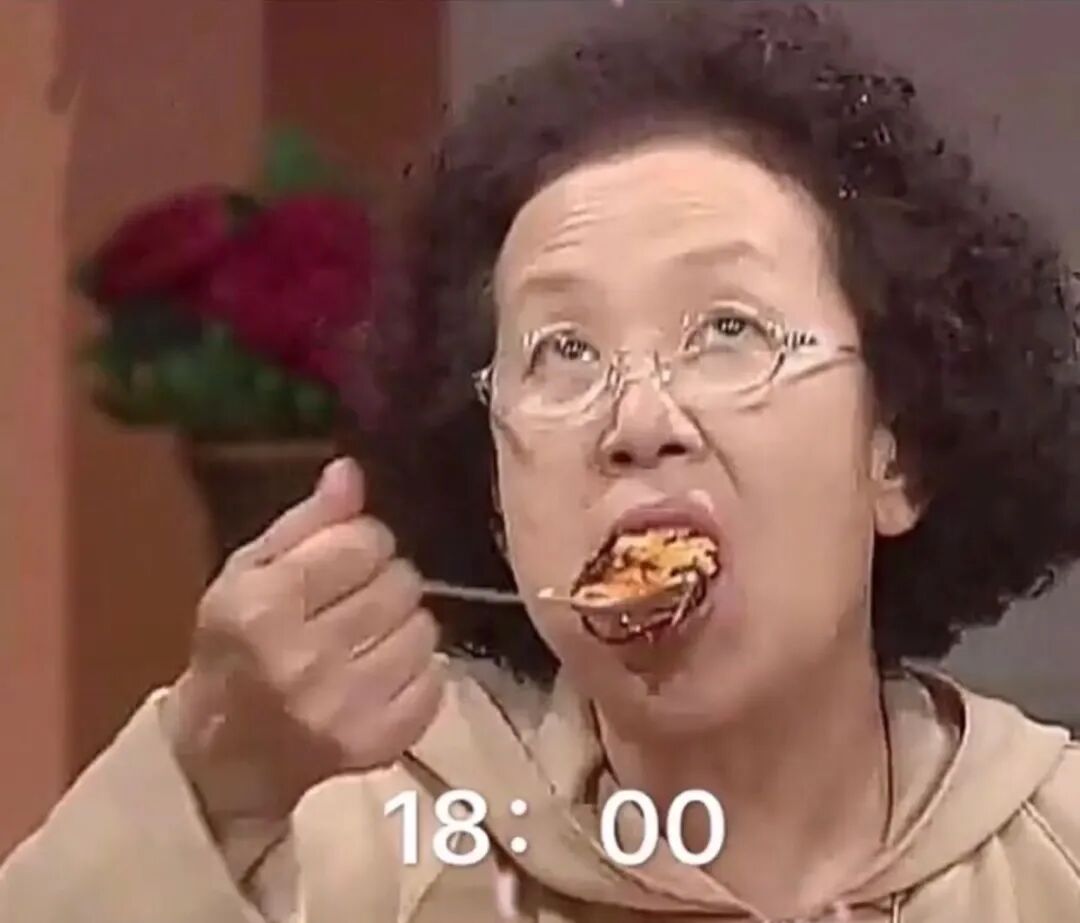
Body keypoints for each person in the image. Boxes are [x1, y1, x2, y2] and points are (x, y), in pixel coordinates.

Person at [3, 5, 1079, 922]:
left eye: (730, 330)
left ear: (898, 454)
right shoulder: (354, 854)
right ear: (497, 501)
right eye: (563, 351)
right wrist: (214, 777)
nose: (638, 419)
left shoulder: (1056, 849)